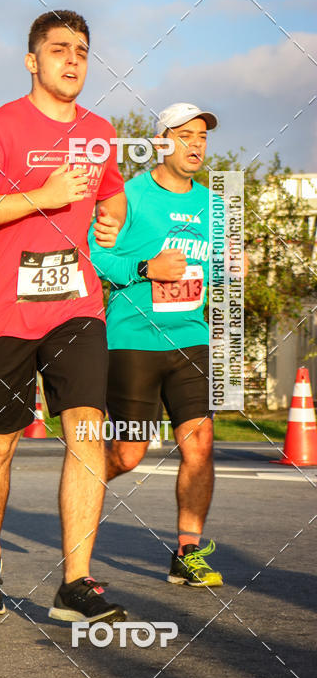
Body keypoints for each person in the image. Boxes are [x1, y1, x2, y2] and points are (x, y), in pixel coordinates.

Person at [0, 10, 128, 622]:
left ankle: (75, 583)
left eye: (81, 50)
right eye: (58, 50)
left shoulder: (99, 131)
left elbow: (112, 189)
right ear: (33, 61)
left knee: (86, 432)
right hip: (0, 311)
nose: (72, 60)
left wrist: (113, 215)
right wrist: (42, 196)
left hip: (75, 305)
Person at [89, 102, 223, 587]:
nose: (195, 145)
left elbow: (221, 269)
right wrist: (146, 268)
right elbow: (93, 259)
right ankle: (81, 490)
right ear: (161, 141)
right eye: (185, 136)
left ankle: (188, 552)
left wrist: (234, 269)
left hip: (192, 339)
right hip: (132, 342)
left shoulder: (215, 206)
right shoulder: (128, 196)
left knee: (200, 445)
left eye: (202, 138)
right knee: (128, 454)